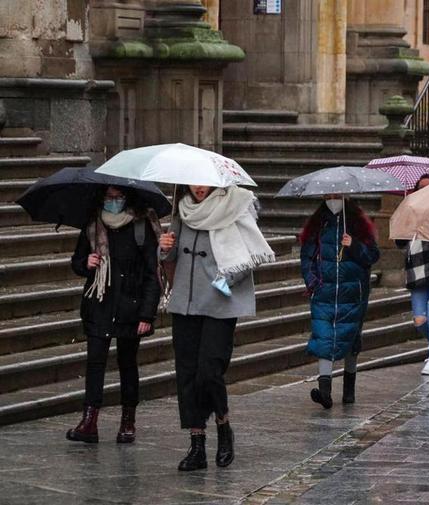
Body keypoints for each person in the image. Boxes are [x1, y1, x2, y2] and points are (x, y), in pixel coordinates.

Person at [159, 184, 274, 471]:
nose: (198, 188)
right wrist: (163, 249)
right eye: (194, 182)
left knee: (209, 369)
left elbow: (248, 253)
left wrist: (226, 281)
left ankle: (223, 425)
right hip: (185, 302)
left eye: (204, 183)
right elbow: (170, 259)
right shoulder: (181, 211)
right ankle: (197, 444)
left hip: (220, 302)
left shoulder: (235, 207)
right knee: (186, 372)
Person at [67, 186, 161, 444]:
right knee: (95, 362)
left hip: (131, 306)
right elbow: (76, 261)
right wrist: (86, 263)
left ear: (127, 198)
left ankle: (128, 420)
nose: (113, 202)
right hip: (99, 303)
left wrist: (147, 314)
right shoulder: (93, 225)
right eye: (108, 197)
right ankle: (89, 421)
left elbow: (154, 274)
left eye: (118, 197)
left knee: (127, 363)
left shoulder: (141, 226)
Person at [300, 196, 380, 409]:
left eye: (337, 197)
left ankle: (349, 387)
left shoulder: (359, 224)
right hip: (324, 293)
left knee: (350, 338)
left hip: (352, 293)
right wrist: (313, 282)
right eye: (329, 196)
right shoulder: (318, 224)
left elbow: (372, 256)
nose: (333, 200)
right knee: (323, 337)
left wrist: (353, 245)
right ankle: (325, 390)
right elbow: (307, 257)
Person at [396, 174, 429, 376]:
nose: (424, 191)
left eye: (428, 187)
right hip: (416, 274)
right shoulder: (411, 212)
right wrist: (405, 223)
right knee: (419, 320)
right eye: (420, 187)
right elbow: (400, 243)